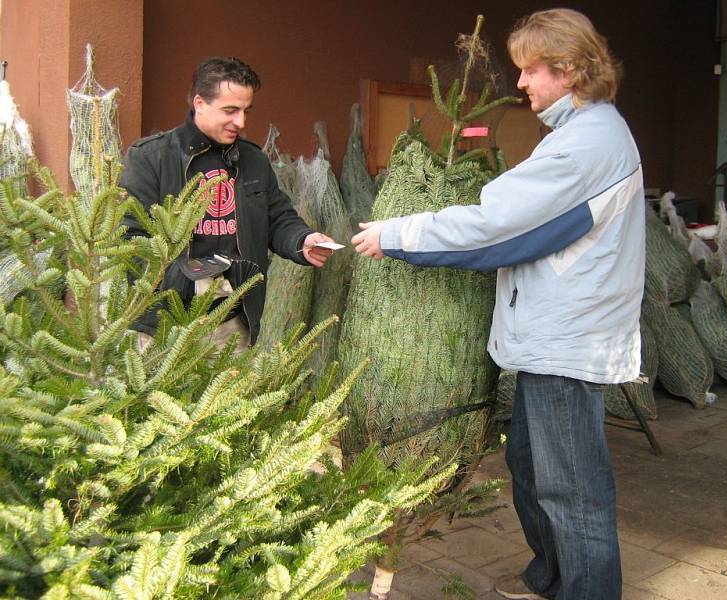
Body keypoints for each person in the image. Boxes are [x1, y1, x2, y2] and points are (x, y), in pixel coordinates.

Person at [352, 9, 644, 600]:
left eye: (531, 70)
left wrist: (397, 235)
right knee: (534, 470)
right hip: (553, 338)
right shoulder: (582, 133)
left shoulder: (586, 145)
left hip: (568, 344)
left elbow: (494, 229)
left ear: (568, 70)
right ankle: (551, 580)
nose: (521, 84)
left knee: (572, 491)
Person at [120, 57, 333, 350]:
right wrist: (190, 285)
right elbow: (131, 242)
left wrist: (302, 239)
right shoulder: (150, 158)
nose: (241, 122)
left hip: (232, 326)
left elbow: (277, 217)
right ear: (199, 103)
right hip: (163, 327)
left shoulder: (253, 161)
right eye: (230, 110)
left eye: (246, 111)